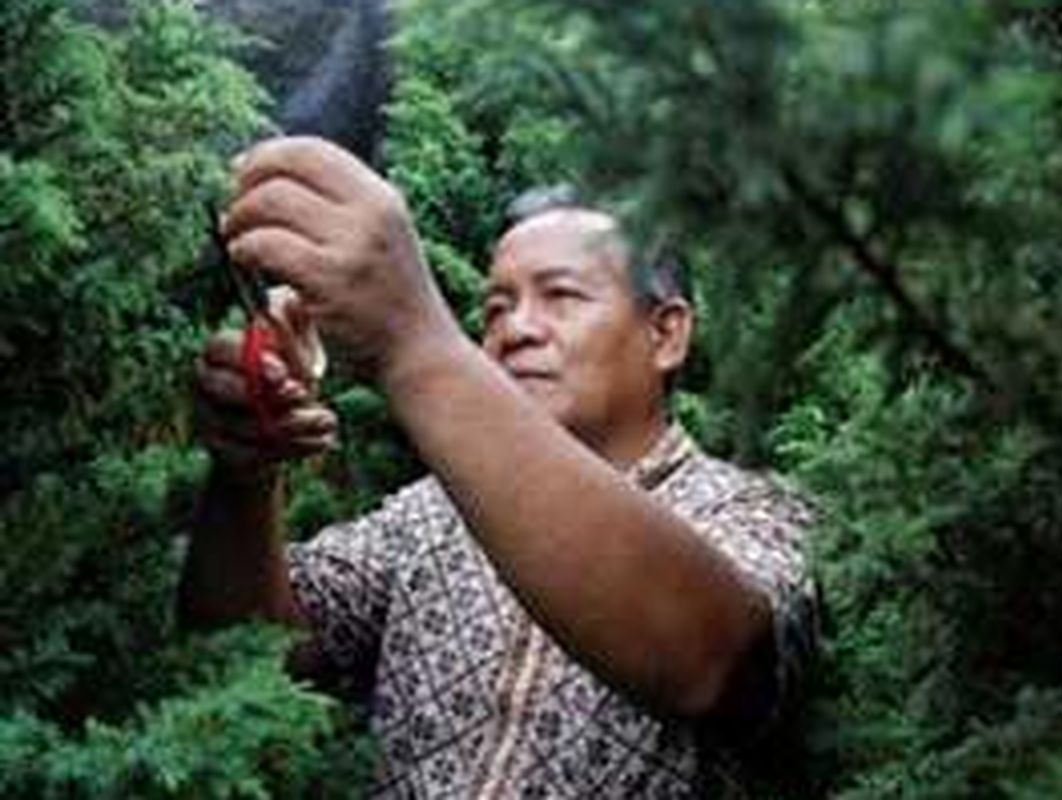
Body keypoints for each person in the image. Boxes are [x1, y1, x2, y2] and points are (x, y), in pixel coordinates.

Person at [180, 136, 815, 798]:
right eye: (495, 308)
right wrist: (246, 474)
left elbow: (707, 662)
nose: (515, 330)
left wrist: (413, 342)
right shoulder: (432, 513)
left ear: (666, 334)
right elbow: (247, 650)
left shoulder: (757, 512)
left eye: (561, 296)